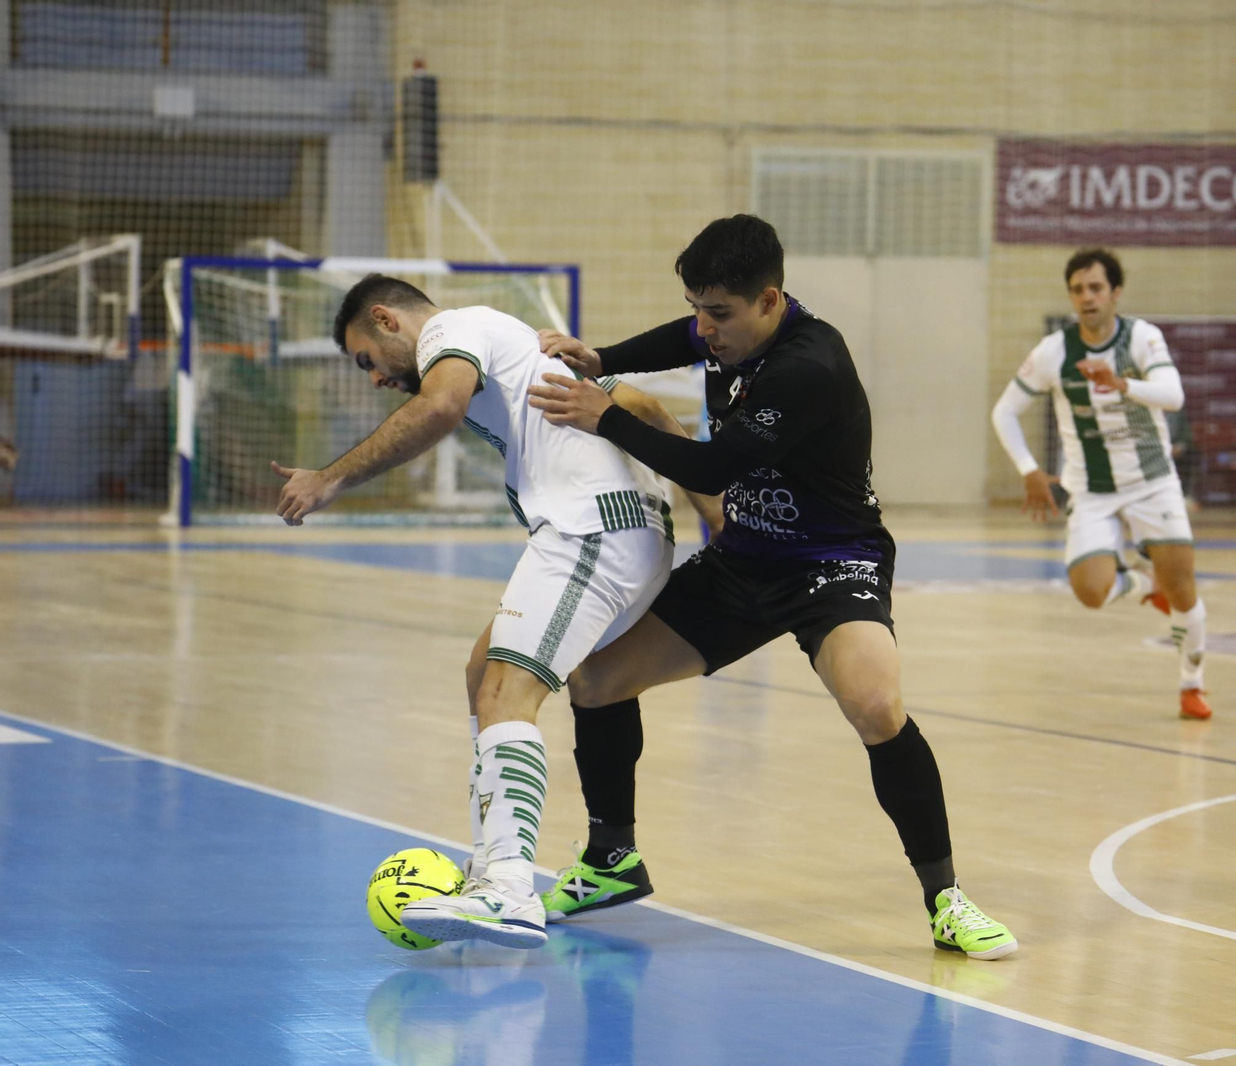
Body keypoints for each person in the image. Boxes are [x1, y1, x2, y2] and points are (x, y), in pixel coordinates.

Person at [524, 214, 1017, 960]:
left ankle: (946, 898)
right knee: (595, 682)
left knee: (877, 705)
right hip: (745, 559)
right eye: (698, 308)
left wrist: (606, 416)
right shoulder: (730, 326)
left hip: (830, 562)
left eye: (718, 314)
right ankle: (611, 859)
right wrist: (604, 358)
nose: (704, 329)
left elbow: (712, 471)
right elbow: (681, 341)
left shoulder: (807, 367)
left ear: (770, 300)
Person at [273, 274, 713, 949]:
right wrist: (714, 517)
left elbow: (441, 407)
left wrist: (330, 477)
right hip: (611, 530)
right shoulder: (510, 346)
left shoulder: (452, 332)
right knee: (484, 674)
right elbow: (649, 408)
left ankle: (507, 890)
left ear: (388, 321)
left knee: (507, 693)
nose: (374, 379)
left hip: (592, 530)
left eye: (367, 360)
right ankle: (498, 864)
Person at [990, 247, 1212, 721]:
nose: (1086, 297)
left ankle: (1191, 685)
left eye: (1095, 288)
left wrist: (1122, 383)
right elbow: (1004, 412)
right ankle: (1140, 580)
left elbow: (1173, 396)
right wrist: (1029, 469)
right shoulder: (1054, 352)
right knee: (1091, 592)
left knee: (1184, 588)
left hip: (1152, 482)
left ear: (1115, 293)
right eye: (1077, 289)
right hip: (1090, 489)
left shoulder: (1142, 338)